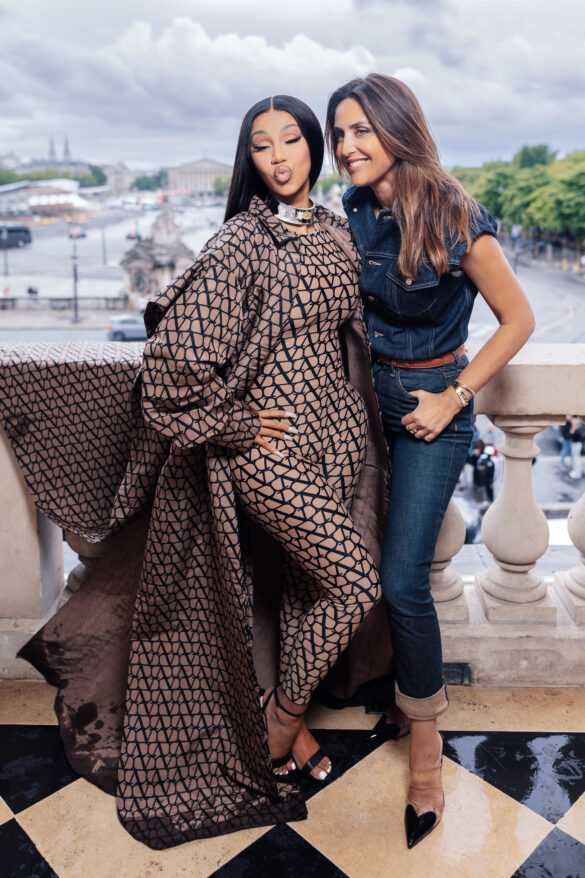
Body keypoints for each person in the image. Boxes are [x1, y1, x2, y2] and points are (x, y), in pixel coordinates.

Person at [2, 95, 391, 849]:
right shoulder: (240, 241)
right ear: (249, 158)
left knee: (303, 591)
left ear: (313, 147)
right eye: (261, 145)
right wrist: (238, 424)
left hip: (337, 442)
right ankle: (280, 724)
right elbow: (171, 367)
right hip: (270, 450)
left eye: (291, 140)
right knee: (352, 584)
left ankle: (286, 716)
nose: (278, 157)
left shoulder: (336, 228)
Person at [326, 74, 535, 848]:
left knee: (402, 578)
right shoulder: (352, 208)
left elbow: (517, 318)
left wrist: (453, 397)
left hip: (428, 411)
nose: (346, 146)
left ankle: (423, 740)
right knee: (349, 561)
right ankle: (383, 690)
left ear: (396, 129)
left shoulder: (452, 211)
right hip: (361, 403)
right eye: (338, 133)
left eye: (360, 130)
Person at [569, 415, 585, 480]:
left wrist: (572, 431)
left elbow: (572, 436)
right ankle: (576, 471)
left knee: (576, 459)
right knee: (575, 459)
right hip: (576, 445)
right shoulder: (577, 430)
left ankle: (577, 473)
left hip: (576, 445)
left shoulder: (577, 431)